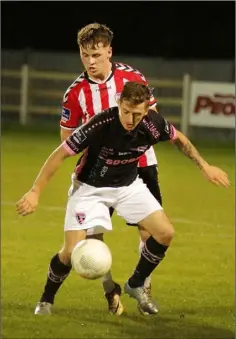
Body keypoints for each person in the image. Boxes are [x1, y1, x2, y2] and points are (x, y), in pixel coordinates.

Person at [16, 82, 229, 316]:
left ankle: (135, 284)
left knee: (165, 232)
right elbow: (59, 155)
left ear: (147, 110)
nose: (130, 118)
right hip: (89, 189)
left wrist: (204, 166)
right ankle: (46, 300)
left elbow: (179, 139)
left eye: (137, 113)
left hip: (128, 186)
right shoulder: (100, 124)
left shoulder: (153, 124)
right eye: (126, 111)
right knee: (70, 252)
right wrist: (35, 191)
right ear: (119, 104)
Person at [59, 22, 161, 315]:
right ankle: (110, 290)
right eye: (84, 55)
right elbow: (67, 139)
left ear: (109, 51)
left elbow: (152, 120)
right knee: (94, 235)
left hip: (141, 163)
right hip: (99, 173)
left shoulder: (132, 77)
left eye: (96, 54)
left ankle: (141, 286)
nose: (91, 62)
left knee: (149, 232)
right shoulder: (75, 92)